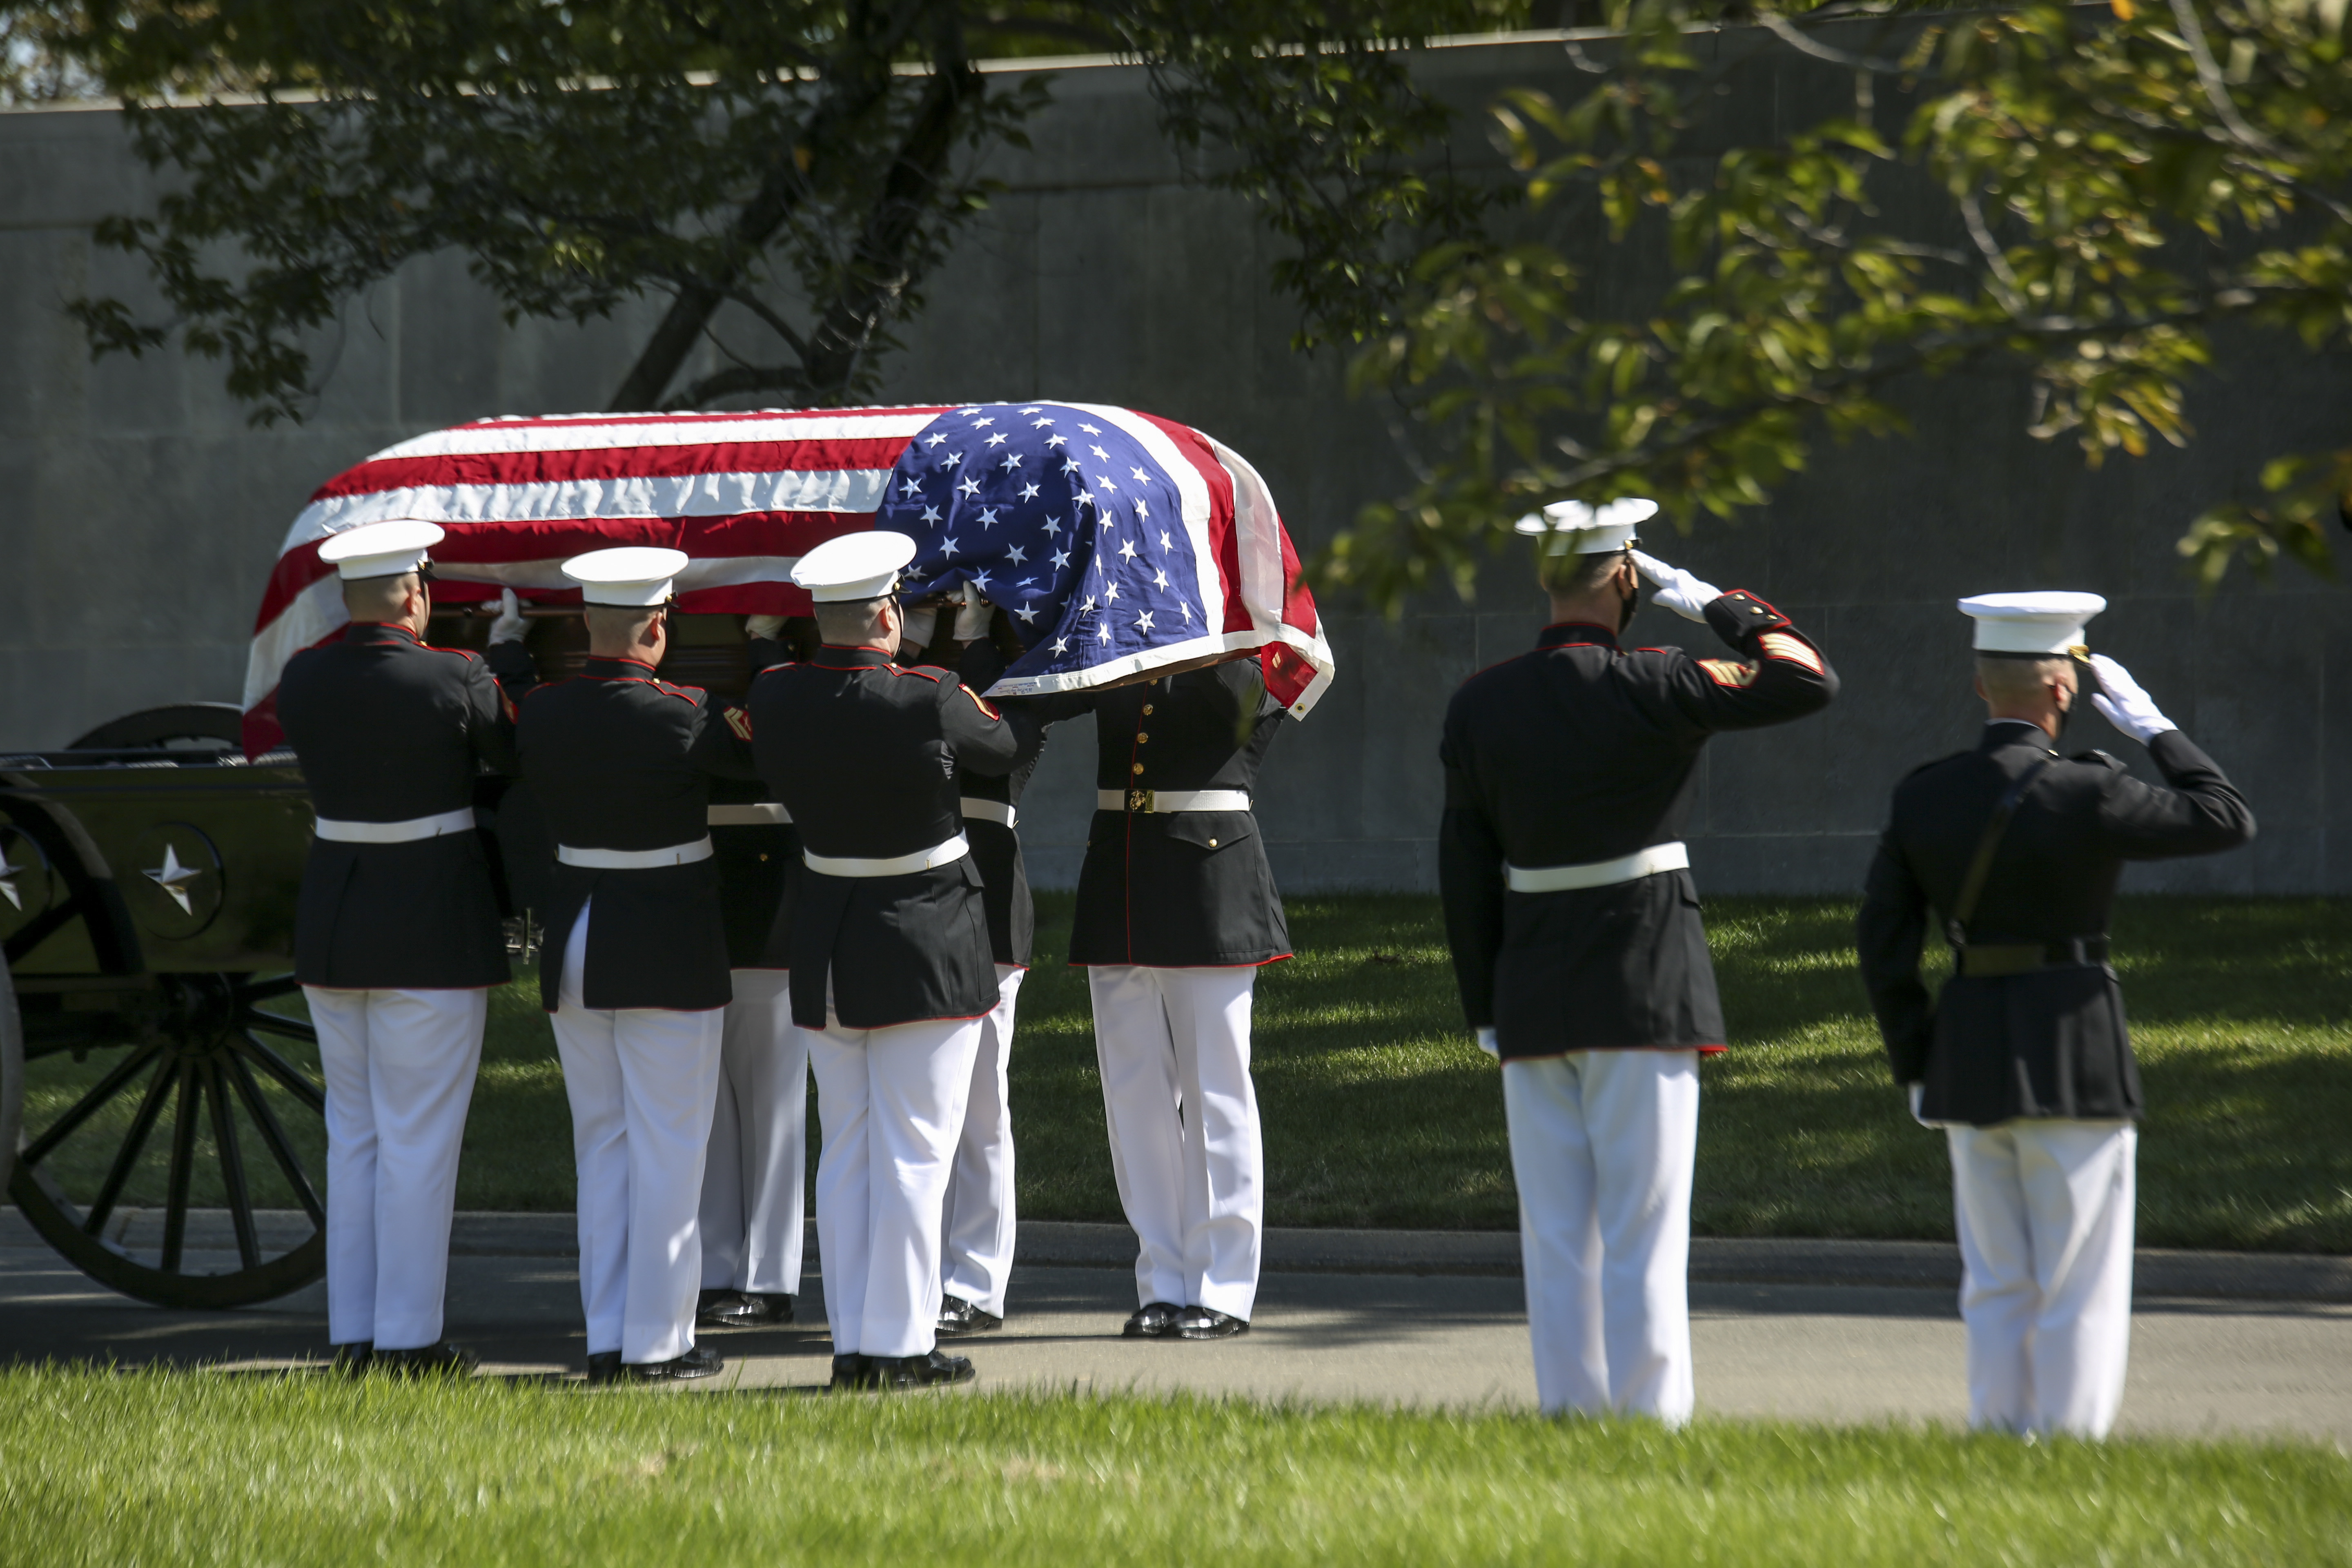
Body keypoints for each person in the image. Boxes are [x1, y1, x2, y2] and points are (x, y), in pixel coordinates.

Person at [1438, 498, 1838, 1423]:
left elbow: (1463, 868)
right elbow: (1807, 679)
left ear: (1544, 578)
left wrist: (1485, 1003)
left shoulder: (1481, 701)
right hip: (1644, 977)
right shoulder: (1661, 679)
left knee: (1555, 1233)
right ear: (1628, 576)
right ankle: (1650, 1422)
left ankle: (1569, 1413)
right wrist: (1707, 602)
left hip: (1530, 987)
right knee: (1643, 1230)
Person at [1856, 591, 2254, 1439]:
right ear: (2066, 691)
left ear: (1979, 685)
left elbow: (1882, 946)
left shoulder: (1924, 797)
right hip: (2076, 1048)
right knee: (2080, 1278)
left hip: (1966, 1057)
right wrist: (2153, 727)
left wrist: (1917, 1060)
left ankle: (2000, 1435)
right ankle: (2070, 1448)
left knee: (1997, 1276)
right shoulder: (2090, 794)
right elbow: (2226, 816)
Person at [746, 532, 1029, 1390]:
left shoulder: (776, 693)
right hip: (923, 940)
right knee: (916, 1150)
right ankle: (901, 1347)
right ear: (886, 613)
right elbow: (1004, 748)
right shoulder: (930, 694)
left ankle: (855, 1345)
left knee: (850, 1150)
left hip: (828, 935)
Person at [276, 519, 535, 1377]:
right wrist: (506, 665)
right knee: (420, 1137)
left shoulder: (303, 676)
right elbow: (510, 752)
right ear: (417, 593)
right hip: (429, 928)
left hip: (337, 929)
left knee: (353, 1137)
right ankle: (408, 1341)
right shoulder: (454, 675)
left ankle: (354, 1331)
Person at [1015, 650, 1295, 1343]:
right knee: (1133, 1096)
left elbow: (1242, 696)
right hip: (1123, 869)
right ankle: (1164, 1280)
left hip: (1209, 877)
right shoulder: (1123, 626)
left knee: (1216, 1091)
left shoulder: (1247, 638)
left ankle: (1223, 1287)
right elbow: (1049, 686)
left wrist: (1190, 622)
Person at [517, 546, 745, 1384]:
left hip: (577, 941)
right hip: (663, 947)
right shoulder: (685, 713)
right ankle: (659, 1343)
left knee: (604, 1148)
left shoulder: (541, 711)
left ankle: (610, 1336)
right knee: (670, 1149)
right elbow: (761, 761)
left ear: (585, 623)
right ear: (657, 627)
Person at [920, 591, 1038, 1340]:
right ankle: (923, 1274)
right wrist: (933, 632)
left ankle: (976, 1281)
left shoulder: (1016, 679)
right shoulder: (915, 676)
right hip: (920, 903)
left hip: (988, 897)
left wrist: (970, 640)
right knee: (926, 1110)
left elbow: (997, 739)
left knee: (980, 1108)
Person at [694, 616, 807, 1332]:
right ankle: (714, 1267)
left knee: (773, 1109)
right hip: (707, 914)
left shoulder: (790, 699)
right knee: (709, 1113)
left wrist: (765, 649)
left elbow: (773, 741)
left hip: (770, 916)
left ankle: (769, 1277)